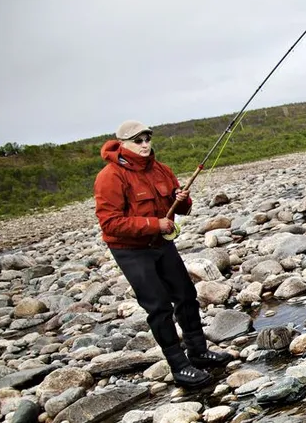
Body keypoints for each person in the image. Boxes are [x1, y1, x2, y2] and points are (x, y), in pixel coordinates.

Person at [94, 120, 232, 387]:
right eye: (138, 141)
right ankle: (179, 367)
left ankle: (199, 352)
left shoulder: (161, 170)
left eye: (147, 139)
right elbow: (110, 223)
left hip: (161, 244)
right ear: (122, 144)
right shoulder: (110, 177)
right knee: (158, 307)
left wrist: (182, 200)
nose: (145, 145)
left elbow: (182, 209)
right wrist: (153, 224)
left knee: (186, 295)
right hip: (130, 250)